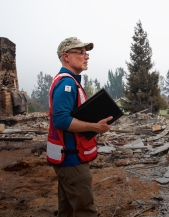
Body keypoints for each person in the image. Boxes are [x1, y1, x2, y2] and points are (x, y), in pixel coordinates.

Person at [47, 37, 113, 217]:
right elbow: (60, 120)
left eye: (87, 52)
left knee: (67, 209)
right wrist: (95, 126)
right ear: (66, 56)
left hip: (66, 157)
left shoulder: (68, 81)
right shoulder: (67, 83)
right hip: (71, 159)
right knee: (85, 210)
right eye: (81, 52)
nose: (87, 57)